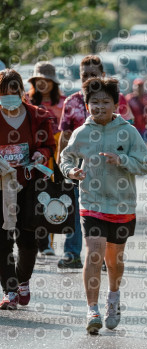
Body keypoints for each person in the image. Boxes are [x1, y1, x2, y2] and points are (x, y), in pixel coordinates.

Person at [60, 77, 147, 334]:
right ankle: (92, 309)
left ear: (116, 104)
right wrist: (72, 172)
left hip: (122, 205)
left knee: (114, 261)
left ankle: (113, 297)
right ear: (87, 104)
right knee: (94, 253)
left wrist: (121, 159)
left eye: (105, 102)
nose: (99, 107)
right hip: (91, 202)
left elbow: (145, 164)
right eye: (94, 102)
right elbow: (65, 158)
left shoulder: (129, 132)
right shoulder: (82, 133)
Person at [57, 55, 134, 269]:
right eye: (85, 75)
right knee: (76, 211)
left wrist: (123, 161)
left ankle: (100, 256)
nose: (89, 79)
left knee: (105, 213)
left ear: (103, 75)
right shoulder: (72, 102)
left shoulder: (118, 101)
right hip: (80, 169)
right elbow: (64, 136)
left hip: (110, 169)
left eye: (94, 74)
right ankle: (72, 253)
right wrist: (62, 168)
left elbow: (130, 133)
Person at [0, 69, 55, 309]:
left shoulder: (36, 116)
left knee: (28, 239)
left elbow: (48, 145)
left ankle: (23, 280)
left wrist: (40, 155)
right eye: (4, 92)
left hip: (28, 184)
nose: (9, 95)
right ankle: (10, 291)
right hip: (1, 188)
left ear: (22, 91)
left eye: (14, 90)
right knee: (2, 241)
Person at [27, 61, 66, 256]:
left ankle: (48, 241)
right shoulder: (26, 101)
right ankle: (35, 241)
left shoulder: (63, 102)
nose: (43, 84)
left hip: (56, 157)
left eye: (47, 80)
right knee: (34, 199)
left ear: (53, 82)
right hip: (33, 157)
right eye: (39, 80)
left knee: (53, 197)